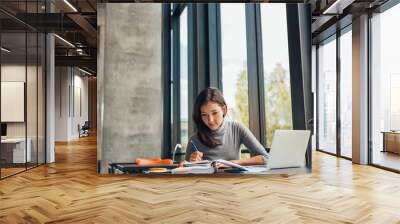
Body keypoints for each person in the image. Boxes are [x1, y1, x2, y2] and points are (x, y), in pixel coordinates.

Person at [185, 87, 269, 166]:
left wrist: (234, 163)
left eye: (214, 113)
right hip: (206, 181)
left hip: (234, 181)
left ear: (224, 110)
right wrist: (191, 163)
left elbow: (265, 158)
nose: (210, 120)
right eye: (204, 115)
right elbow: (185, 170)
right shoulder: (194, 140)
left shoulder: (237, 129)